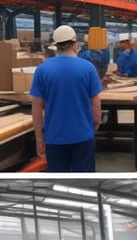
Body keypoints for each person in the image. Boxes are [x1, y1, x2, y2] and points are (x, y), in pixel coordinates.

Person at [30, 25, 102, 172]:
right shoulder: (88, 68)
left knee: (59, 182)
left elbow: (36, 108)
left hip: (54, 138)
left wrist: (39, 138)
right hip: (83, 136)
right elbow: (95, 103)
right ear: (75, 44)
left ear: (55, 46)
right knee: (85, 184)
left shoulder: (42, 69)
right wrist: (94, 125)